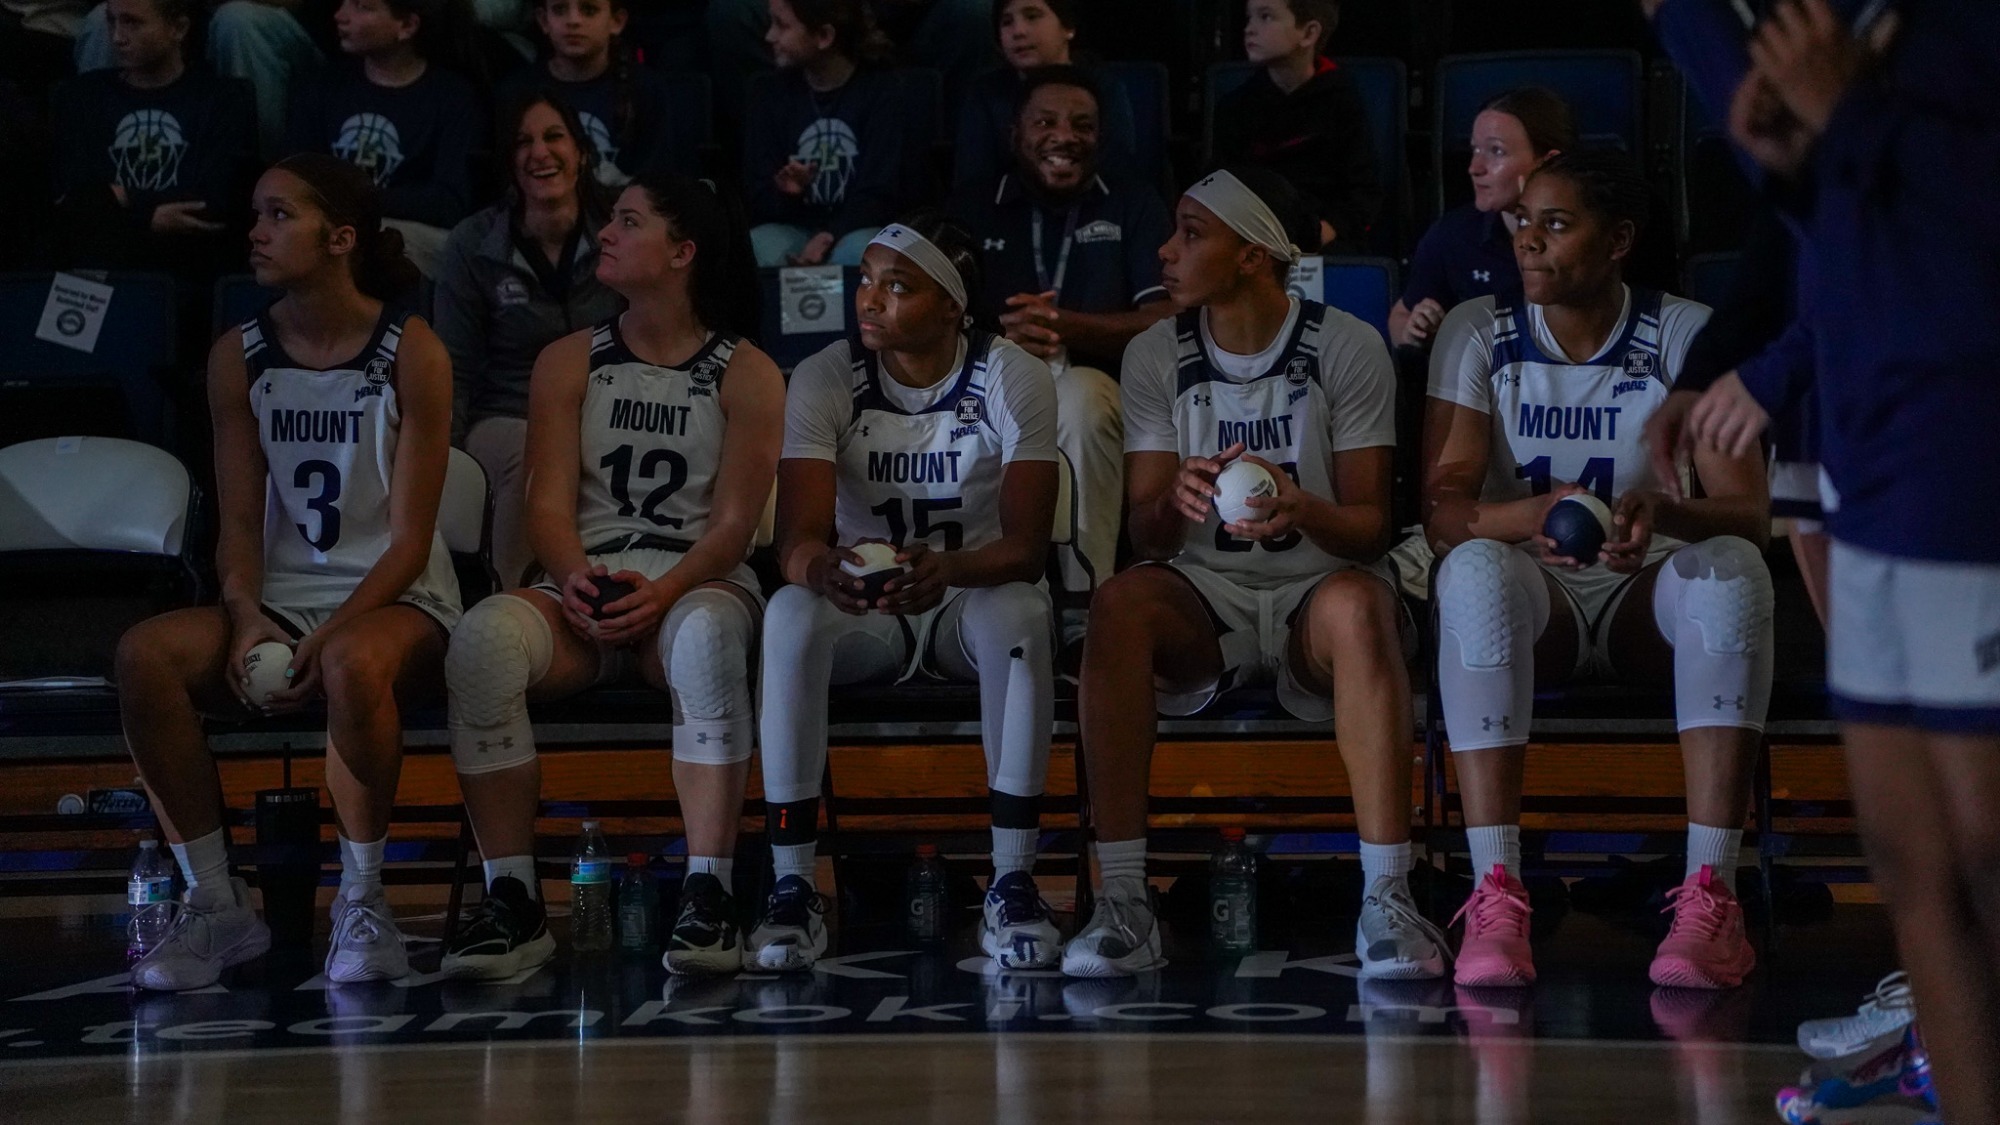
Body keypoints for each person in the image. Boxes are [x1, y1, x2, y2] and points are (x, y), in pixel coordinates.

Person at [1647, 0, 2000, 1117]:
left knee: (1983, 848)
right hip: (1873, 462)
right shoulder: (1828, 36)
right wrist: (1730, 367)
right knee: (1908, 862)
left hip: (1967, 463)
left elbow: (1962, 229)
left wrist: (1840, 118)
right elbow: (1844, 249)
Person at [1422, 149, 1772, 992]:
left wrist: (1662, 514)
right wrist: (1530, 517)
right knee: (1470, 568)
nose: (1528, 242)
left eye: (1555, 223)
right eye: (1522, 222)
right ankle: (1496, 892)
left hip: (1647, 595)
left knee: (1734, 570)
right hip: (1532, 597)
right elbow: (1441, 513)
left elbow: (1750, 514)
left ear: (1618, 240)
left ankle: (1710, 896)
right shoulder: (1479, 329)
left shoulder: (1687, 331)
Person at [1064, 168, 1426, 980]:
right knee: (1118, 604)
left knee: (1363, 607)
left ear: (1254, 255)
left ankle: (1388, 897)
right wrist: (1178, 497)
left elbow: (1370, 528)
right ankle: (1123, 898)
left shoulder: (1347, 345)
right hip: (1209, 597)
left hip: (1319, 591)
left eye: (1192, 234)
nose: (1166, 250)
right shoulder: (1156, 350)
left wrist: (1304, 509)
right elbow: (1144, 532)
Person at [115, 153, 461, 991]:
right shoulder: (239, 355)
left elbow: (411, 542)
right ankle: (217, 903)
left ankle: (363, 898)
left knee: (350, 663)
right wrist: (243, 615)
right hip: (278, 604)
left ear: (339, 238)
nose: (256, 231)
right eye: (257, 214)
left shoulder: (412, 349)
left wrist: (335, 628)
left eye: (278, 215)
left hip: (398, 600)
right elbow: (237, 522)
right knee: (144, 656)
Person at [440, 172, 782, 979]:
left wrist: (661, 593)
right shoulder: (567, 360)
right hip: (584, 581)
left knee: (701, 641)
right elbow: (546, 507)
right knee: (482, 641)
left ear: (682, 252)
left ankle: (709, 893)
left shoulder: (749, 371)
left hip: (696, 580)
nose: (607, 235)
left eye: (629, 221)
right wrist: (579, 581)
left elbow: (734, 528)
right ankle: (513, 902)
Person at [754, 213, 1061, 972]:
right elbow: (794, 537)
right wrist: (821, 569)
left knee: (1025, 611)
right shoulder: (828, 374)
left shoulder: (1009, 371)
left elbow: (1025, 549)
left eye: (897, 286)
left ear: (952, 307)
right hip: (873, 609)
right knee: (790, 610)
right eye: (866, 280)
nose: (870, 300)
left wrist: (950, 571)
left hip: (968, 598)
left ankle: (1014, 879)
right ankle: (792, 890)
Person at [947, 64, 1173, 602]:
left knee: (1081, 403)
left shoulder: (1133, 202)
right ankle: (965, 588)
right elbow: (933, 317)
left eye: (1083, 125)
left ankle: (1084, 598)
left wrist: (1066, 326)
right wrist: (1000, 334)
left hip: (1096, 376)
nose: (1065, 137)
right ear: (1015, 135)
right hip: (988, 380)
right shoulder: (971, 207)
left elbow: (1167, 318)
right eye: (1045, 122)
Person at [435, 91, 625, 587]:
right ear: (507, 162)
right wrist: (446, 462)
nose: (539, 152)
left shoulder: (619, 235)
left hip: (607, 410)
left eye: (553, 136)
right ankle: (514, 604)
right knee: (532, 448)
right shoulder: (472, 245)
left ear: (582, 153)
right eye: (522, 142)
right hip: (506, 413)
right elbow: (451, 365)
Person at [50, 0, 258, 282]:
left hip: (192, 269)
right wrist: (149, 216)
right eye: (112, 21)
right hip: (96, 272)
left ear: (179, 28)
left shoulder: (224, 99)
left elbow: (216, 204)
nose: (117, 37)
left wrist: (121, 199)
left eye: (132, 23)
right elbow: (73, 202)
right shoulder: (81, 97)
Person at [287, 0, 488, 277]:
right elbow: (296, 179)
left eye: (362, 7)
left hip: (409, 235)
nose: (340, 16)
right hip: (330, 224)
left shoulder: (453, 98)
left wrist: (354, 202)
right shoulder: (322, 87)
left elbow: (449, 202)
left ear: (407, 26)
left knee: (382, 243)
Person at [1389, 86, 1573, 351]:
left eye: (1496, 151)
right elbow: (1400, 317)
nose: (1474, 168)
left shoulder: (1592, 239)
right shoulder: (1453, 236)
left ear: (1547, 163)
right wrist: (1413, 332)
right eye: (1475, 150)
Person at [742, 0, 915, 269]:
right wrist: (787, 193)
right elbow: (758, 195)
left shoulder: (882, 91)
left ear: (824, 36)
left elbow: (880, 192)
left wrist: (830, 233)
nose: (769, 36)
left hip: (856, 228)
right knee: (755, 246)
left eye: (782, 26)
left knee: (859, 251)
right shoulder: (768, 94)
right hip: (795, 227)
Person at [1210, 0, 1378, 254]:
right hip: (1255, 244)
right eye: (1249, 18)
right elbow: (1221, 189)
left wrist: (1323, 233)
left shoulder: (1342, 101)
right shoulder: (1236, 107)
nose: (1249, 29)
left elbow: (1363, 192)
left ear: (1309, 33)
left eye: (1265, 17)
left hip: (1324, 243)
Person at [73, 0, 321, 155]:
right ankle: (96, 174)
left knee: (238, 21)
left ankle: (263, 178)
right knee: (102, 21)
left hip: (281, 32)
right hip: (180, 16)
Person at [949, 0, 1135, 192]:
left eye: (1032, 16)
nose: (1018, 31)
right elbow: (972, 183)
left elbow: (1118, 176)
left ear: (1068, 27)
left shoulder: (1104, 89)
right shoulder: (986, 92)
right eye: (1007, 22)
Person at [491, 0, 681, 186]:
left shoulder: (645, 89)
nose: (573, 20)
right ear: (543, 21)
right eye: (559, 9)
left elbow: (657, 184)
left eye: (589, 10)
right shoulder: (515, 91)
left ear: (616, 21)